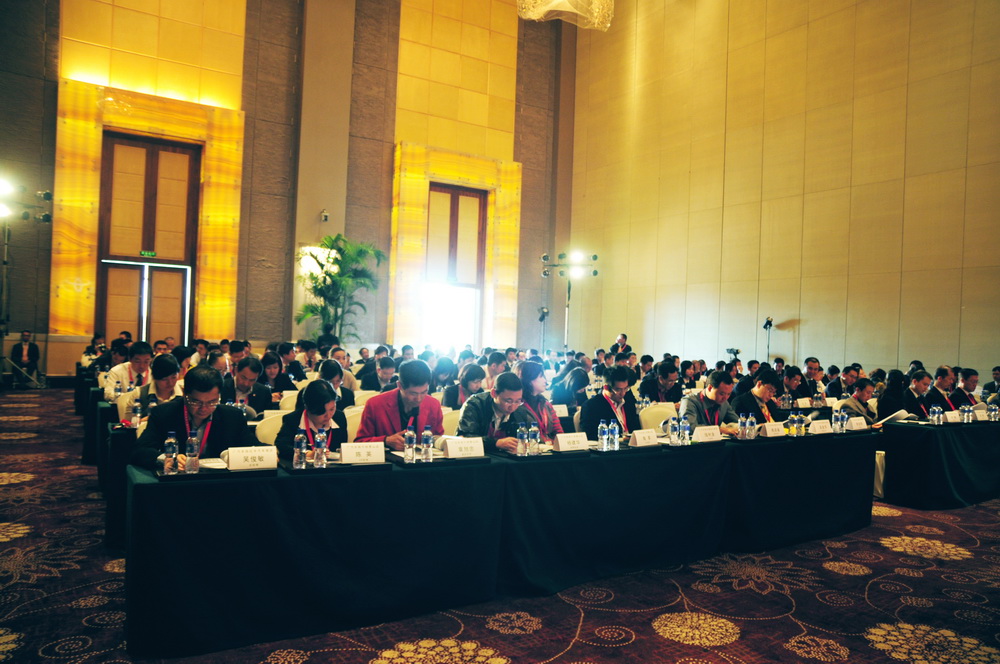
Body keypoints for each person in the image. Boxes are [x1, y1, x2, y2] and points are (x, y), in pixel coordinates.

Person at [131, 363, 258, 470]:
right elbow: (140, 450)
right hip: (180, 481)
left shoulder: (232, 416)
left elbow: (253, 446)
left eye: (212, 402)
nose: (204, 408)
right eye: (196, 402)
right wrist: (166, 458)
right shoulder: (164, 413)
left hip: (220, 481)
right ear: (185, 394)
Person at [355, 359, 444, 450]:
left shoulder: (433, 404)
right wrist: (386, 441)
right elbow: (360, 442)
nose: (419, 399)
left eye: (424, 392)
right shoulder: (375, 405)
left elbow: (438, 437)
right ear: (399, 385)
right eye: (413, 393)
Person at [456, 371, 536, 452]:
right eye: (508, 401)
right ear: (494, 393)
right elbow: (466, 437)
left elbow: (527, 438)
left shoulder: (519, 411)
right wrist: (496, 443)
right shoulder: (475, 405)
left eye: (518, 401)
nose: (513, 407)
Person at [275, 380, 348, 461]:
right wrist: (306, 454)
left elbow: (342, 448)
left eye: (332, 409)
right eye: (322, 412)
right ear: (309, 408)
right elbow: (282, 446)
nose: (328, 415)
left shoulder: (339, 418)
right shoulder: (293, 420)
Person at [580, 366, 641, 440]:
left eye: (626, 388)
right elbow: (591, 436)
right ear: (606, 387)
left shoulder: (628, 401)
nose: (623, 393)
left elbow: (636, 428)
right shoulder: (591, 406)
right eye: (618, 390)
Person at [119, 353, 183, 421]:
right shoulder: (139, 394)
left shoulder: (183, 394)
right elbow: (128, 423)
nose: (170, 383)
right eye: (164, 379)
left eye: (174, 377)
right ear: (154, 377)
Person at [678, 370, 739, 435]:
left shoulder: (724, 403)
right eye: (722, 394)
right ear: (710, 388)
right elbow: (690, 428)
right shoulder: (690, 401)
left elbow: (737, 422)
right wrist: (719, 429)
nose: (725, 398)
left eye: (729, 394)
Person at [518, 361, 563, 443]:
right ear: (530, 380)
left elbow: (558, 431)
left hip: (550, 447)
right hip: (531, 446)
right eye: (541, 376)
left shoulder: (546, 404)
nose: (545, 381)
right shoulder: (518, 405)